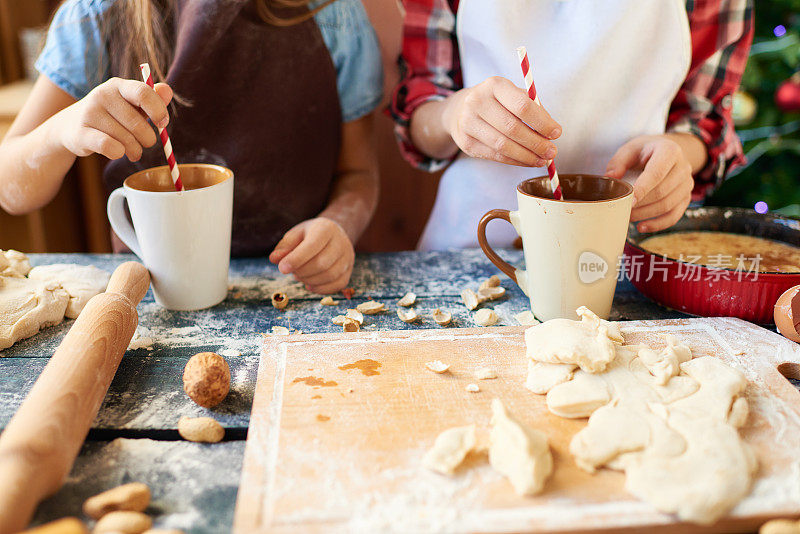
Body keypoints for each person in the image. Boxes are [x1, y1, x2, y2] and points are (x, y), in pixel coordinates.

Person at [0, 0, 383, 294]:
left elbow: (359, 173)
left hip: (297, 284)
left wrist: (339, 225)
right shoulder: (97, 13)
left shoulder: (334, 12)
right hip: (149, 293)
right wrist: (64, 129)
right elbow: (11, 188)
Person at [391, 0, 753, 250]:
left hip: (631, 251)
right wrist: (453, 114)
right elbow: (421, 112)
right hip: (474, 246)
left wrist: (682, 154)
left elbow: (704, 121)